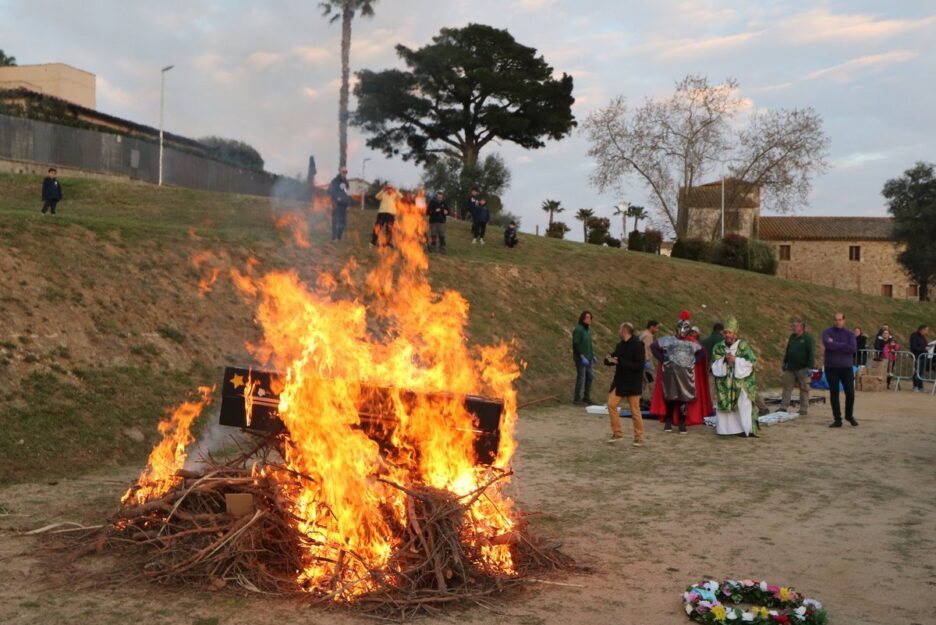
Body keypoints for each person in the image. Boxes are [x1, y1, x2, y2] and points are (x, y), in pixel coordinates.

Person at [650, 311, 705, 433]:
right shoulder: (667, 340)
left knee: (683, 399)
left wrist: (694, 361)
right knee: (670, 397)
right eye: (681, 328)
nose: (682, 331)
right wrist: (663, 358)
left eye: (685, 328)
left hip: (685, 375)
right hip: (670, 374)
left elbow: (702, 351)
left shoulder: (692, 343)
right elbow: (653, 346)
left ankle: (682, 423)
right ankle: (668, 421)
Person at [711, 316, 760, 437]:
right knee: (725, 405)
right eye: (726, 332)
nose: (727, 335)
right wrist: (723, 360)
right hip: (724, 383)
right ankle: (726, 430)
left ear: (735, 333)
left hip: (741, 382)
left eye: (730, 332)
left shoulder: (743, 346)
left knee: (743, 403)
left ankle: (745, 429)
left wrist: (736, 360)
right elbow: (713, 364)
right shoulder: (718, 347)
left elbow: (751, 362)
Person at [604, 322, 645, 446]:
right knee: (611, 404)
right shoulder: (620, 345)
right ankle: (617, 433)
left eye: (620, 330)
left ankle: (639, 437)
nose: (619, 332)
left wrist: (620, 362)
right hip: (620, 382)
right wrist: (608, 359)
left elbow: (638, 365)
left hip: (633, 382)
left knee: (635, 411)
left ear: (625, 331)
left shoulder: (638, 345)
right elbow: (611, 359)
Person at [823, 312, 858, 427]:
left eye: (840, 319)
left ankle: (849, 415)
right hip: (831, 367)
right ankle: (837, 419)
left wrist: (835, 344)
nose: (838, 322)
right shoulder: (827, 332)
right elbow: (828, 345)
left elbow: (853, 349)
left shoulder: (850, 334)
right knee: (834, 393)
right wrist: (844, 345)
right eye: (836, 319)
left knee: (850, 393)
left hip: (846, 368)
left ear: (844, 320)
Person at [779, 319, 815, 416]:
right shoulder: (792, 336)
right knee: (787, 387)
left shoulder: (808, 338)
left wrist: (810, 366)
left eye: (795, 326)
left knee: (804, 388)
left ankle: (803, 408)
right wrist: (785, 362)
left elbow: (811, 353)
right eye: (793, 325)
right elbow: (788, 350)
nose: (793, 327)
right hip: (790, 367)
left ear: (801, 327)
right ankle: (783, 407)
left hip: (803, 367)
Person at [572, 310, 598, 404]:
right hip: (581, 359)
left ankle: (586, 397)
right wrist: (582, 356)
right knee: (581, 377)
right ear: (582, 318)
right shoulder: (578, 329)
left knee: (590, 376)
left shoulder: (587, 330)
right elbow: (576, 344)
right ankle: (577, 398)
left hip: (589, 358)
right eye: (587, 317)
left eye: (590, 318)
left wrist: (592, 355)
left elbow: (588, 344)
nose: (589, 319)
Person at [327, 166, 352, 241]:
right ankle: (334, 237)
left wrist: (348, 204)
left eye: (346, 172)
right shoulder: (335, 181)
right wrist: (336, 198)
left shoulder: (346, 182)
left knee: (343, 223)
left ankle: (338, 237)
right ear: (340, 171)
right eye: (343, 172)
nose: (345, 173)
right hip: (336, 204)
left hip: (344, 205)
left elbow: (348, 193)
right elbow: (329, 191)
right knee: (335, 221)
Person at [639, 320, 660, 400]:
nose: (657, 330)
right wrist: (647, 361)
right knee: (652, 381)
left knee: (643, 381)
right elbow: (645, 349)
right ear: (651, 327)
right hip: (646, 364)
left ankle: (638, 398)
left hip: (641, 362)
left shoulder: (644, 334)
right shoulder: (648, 336)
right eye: (656, 328)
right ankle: (653, 400)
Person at [910, 324, 931, 392]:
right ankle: (915, 386)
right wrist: (924, 348)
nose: (927, 331)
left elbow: (925, 345)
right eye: (926, 330)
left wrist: (928, 346)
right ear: (922, 329)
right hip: (917, 356)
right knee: (917, 371)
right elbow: (914, 347)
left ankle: (920, 387)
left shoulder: (923, 337)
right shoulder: (914, 336)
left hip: (923, 356)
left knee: (921, 372)